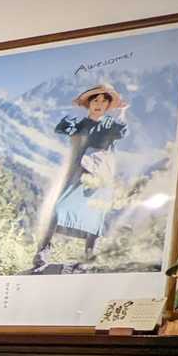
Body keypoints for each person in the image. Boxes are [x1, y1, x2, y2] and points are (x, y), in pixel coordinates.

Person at [33, 82, 130, 271]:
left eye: (104, 101)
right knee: (57, 209)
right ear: (89, 103)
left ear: (108, 105)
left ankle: (89, 258)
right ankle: (42, 254)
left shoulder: (110, 124)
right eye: (95, 100)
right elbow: (61, 128)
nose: (99, 104)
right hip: (77, 174)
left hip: (99, 176)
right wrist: (75, 110)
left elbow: (121, 131)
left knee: (96, 216)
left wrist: (122, 113)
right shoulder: (80, 124)